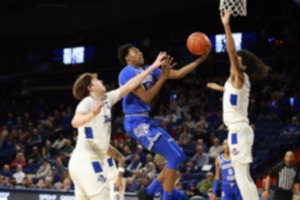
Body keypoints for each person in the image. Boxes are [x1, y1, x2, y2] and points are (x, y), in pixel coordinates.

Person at [118, 43, 211, 200]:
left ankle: (148, 192)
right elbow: (147, 98)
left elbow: (177, 74)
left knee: (180, 156)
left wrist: (199, 60)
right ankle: (166, 197)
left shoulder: (146, 69)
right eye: (135, 51)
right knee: (173, 158)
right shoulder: (126, 73)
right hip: (135, 122)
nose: (140, 52)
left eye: (139, 50)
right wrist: (162, 76)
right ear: (127, 58)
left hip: (145, 119)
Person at [68, 51, 166, 200]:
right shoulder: (88, 102)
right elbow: (74, 122)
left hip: (84, 161)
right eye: (98, 81)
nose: (102, 82)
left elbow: (131, 84)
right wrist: (92, 115)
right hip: (86, 159)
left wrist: (153, 66)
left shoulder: (107, 99)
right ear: (90, 88)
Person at [209, 10, 271, 200]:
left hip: (238, 130)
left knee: (241, 176)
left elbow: (231, 51)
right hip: (239, 130)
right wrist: (220, 89)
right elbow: (233, 95)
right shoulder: (233, 82)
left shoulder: (240, 76)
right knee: (243, 175)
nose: (233, 63)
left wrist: (226, 25)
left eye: (237, 62)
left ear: (242, 66)